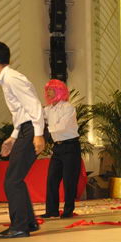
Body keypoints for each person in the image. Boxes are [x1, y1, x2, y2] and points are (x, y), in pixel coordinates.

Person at [0, 41, 45, 239]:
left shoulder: (12, 78)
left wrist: (38, 134)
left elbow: (34, 106)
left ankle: (19, 226)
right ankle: (28, 222)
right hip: (25, 129)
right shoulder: (7, 79)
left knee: (12, 180)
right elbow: (20, 112)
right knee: (15, 178)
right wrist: (13, 137)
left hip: (31, 130)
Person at [40, 79, 82, 219]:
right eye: (47, 90)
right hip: (57, 148)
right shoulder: (47, 109)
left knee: (69, 181)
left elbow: (62, 126)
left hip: (71, 146)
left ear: (59, 91)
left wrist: (47, 129)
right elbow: (39, 119)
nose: (48, 92)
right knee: (52, 179)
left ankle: (68, 211)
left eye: (51, 90)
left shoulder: (68, 107)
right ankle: (51, 211)